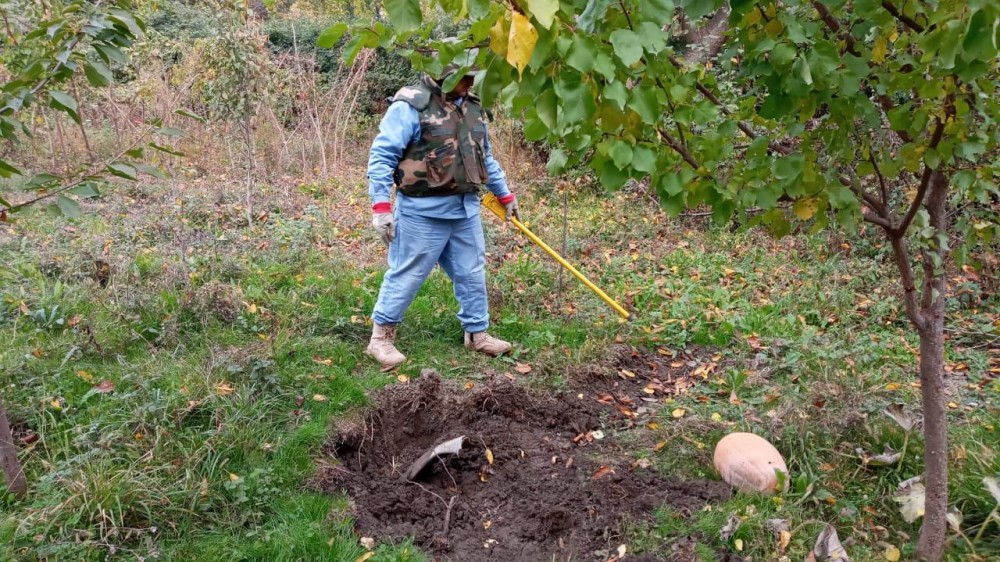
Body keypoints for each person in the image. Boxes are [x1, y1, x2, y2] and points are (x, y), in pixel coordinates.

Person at [364, 64, 520, 369]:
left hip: (464, 210)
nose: (470, 83)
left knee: (471, 272)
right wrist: (381, 208)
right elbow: (382, 156)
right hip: (422, 212)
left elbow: (484, 155)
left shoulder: (473, 108)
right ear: (442, 75)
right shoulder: (411, 105)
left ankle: (477, 333)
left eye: (472, 77)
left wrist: (505, 195)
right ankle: (380, 339)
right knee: (407, 275)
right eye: (464, 77)